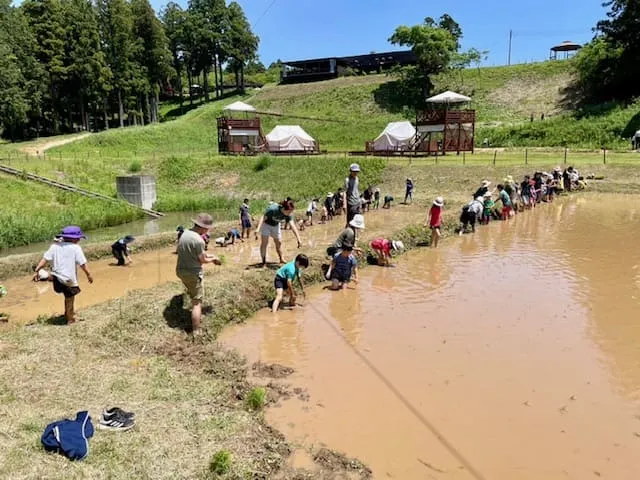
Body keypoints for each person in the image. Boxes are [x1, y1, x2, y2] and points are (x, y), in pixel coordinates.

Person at [33, 226, 93, 325]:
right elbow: (82, 264)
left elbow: (45, 259)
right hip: (68, 279)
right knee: (70, 298)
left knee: (67, 296)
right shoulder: (76, 248)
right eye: (78, 238)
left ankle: (68, 313)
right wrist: (89, 275)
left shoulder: (54, 246)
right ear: (74, 238)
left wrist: (37, 270)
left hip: (56, 278)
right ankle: (70, 319)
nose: (79, 239)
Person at [176, 213, 222, 335]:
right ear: (203, 227)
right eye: (207, 229)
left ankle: (190, 292)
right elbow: (202, 260)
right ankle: (196, 331)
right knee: (197, 303)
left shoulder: (185, 234)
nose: (207, 231)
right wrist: (213, 260)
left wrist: (211, 255)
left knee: (190, 288)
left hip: (180, 270)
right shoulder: (198, 240)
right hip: (192, 273)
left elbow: (195, 253)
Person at [255, 199, 302, 266]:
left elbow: (292, 226)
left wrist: (298, 239)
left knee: (279, 242)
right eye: (289, 212)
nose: (289, 214)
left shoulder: (288, 214)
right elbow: (263, 217)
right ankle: (263, 262)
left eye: (291, 212)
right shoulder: (273, 209)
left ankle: (281, 258)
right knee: (264, 243)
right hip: (266, 224)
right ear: (283, 208)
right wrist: (258, 229)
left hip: (276, 225)